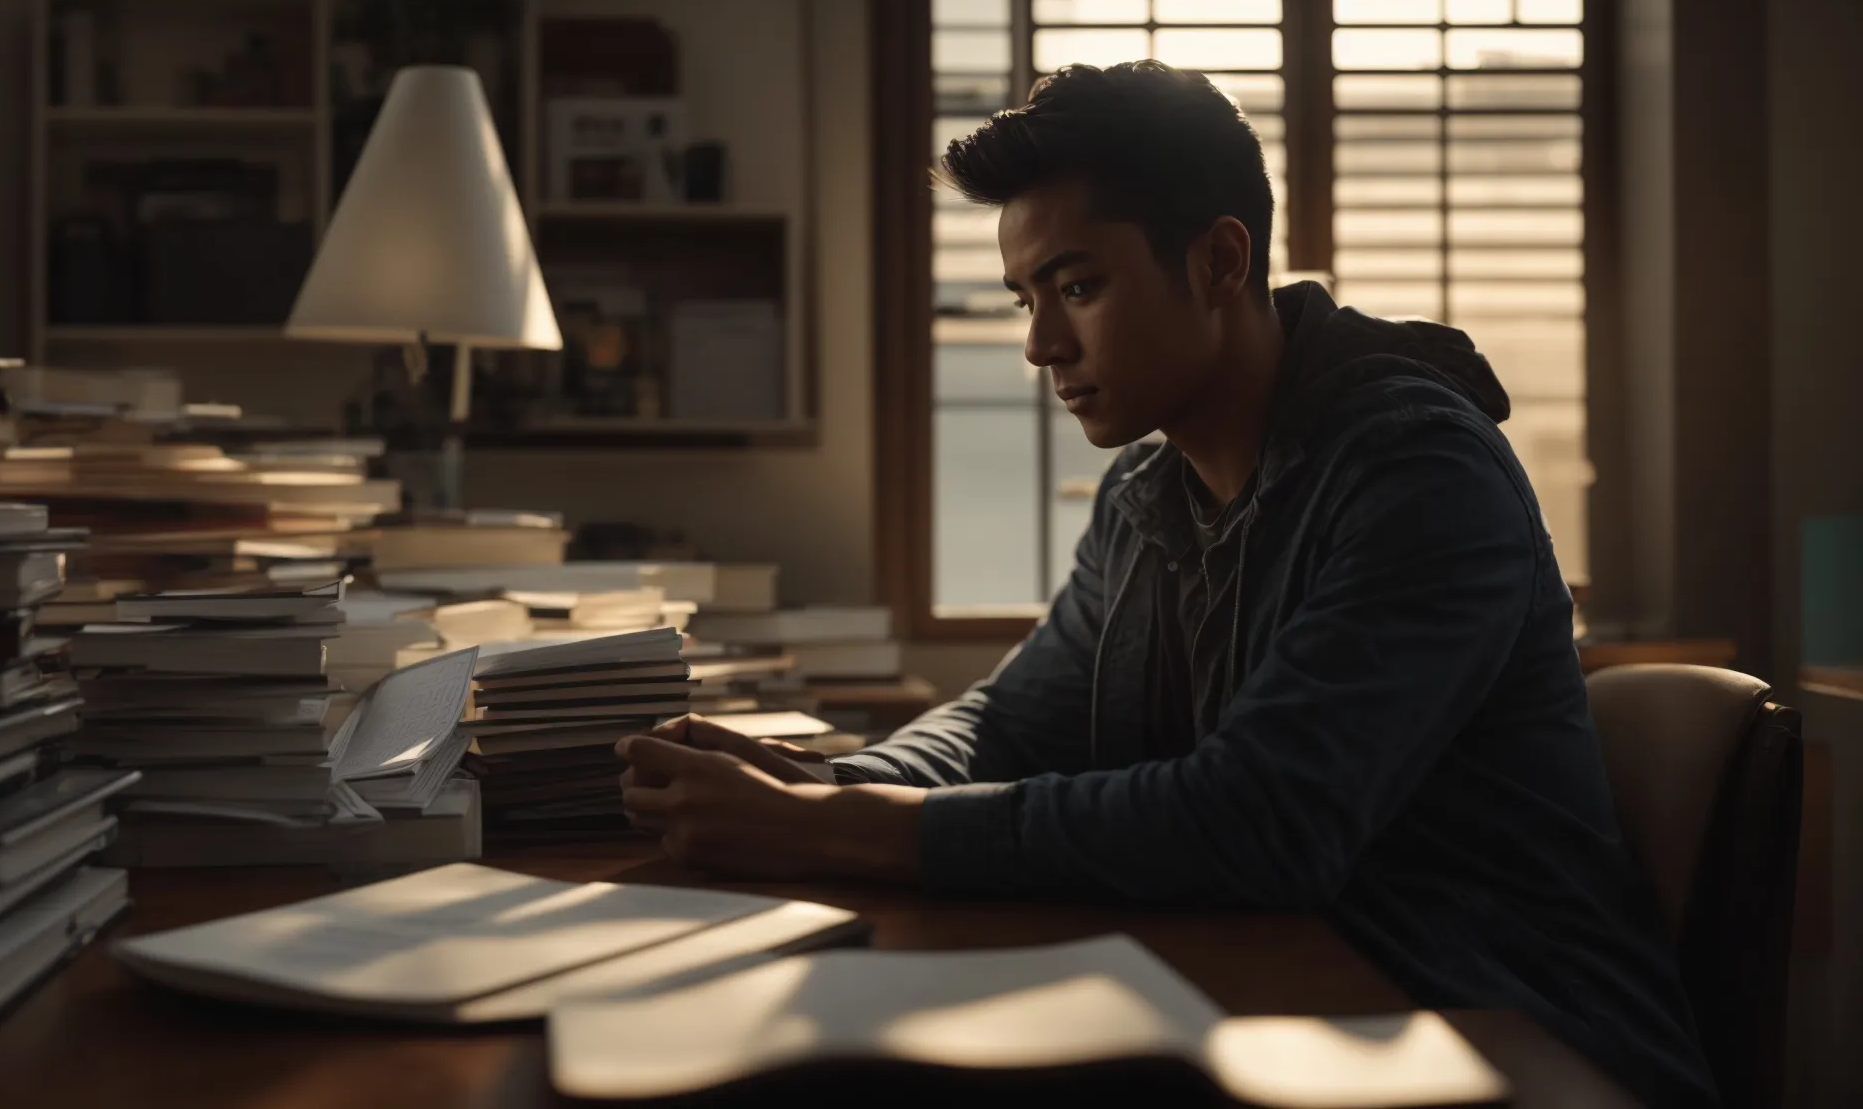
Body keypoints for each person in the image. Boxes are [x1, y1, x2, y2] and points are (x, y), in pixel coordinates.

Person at [617, 61, 1717, 1107]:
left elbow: (1259, 822)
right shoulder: (1149, 489)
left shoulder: (1415, 474)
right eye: (1022, 300)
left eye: (1077, 286)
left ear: (1219, 262)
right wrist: (816, 779)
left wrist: (833, 824)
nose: (1042, 344)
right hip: (1284, 1005)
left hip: (1503, 1033)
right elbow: (1010, 724)